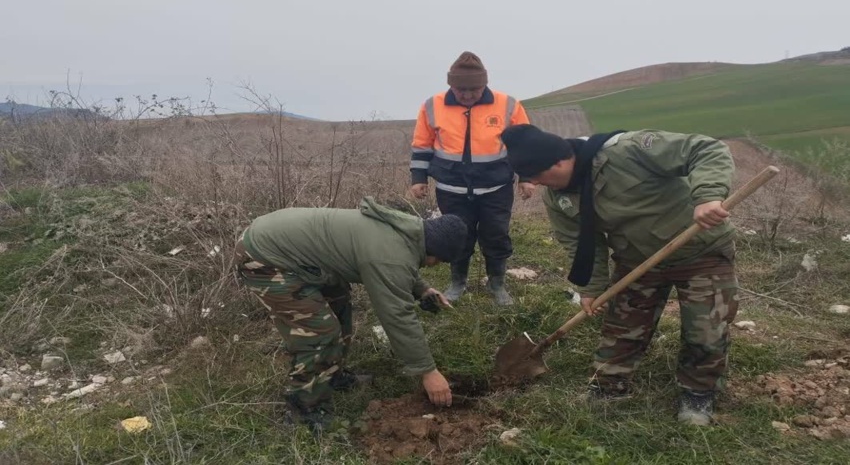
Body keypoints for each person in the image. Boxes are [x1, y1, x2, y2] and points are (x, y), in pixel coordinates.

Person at [500, 124, 739, 426]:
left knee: (705, 330)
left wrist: (708, 196)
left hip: (700, 251)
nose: (535, 183)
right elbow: (581, 243)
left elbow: (706, 148)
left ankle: (698, 391)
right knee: (621, 327)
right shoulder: (557, 197)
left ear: (559, 160)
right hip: (637, 260)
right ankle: (609, 385)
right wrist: (592, 288)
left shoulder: (630, 150)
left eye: (537, 175)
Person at [233, 196, 468, 435]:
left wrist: (422, 289)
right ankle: (304, 408)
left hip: (293, 249)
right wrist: (428, 371)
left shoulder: (409, 230)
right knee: (318, 331)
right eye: (438, 261)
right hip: (265, 256)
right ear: (434, 250)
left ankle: (330, 373)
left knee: (339, 304)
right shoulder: (388, 253)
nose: (434, 265)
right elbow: (397, 316)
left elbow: (400, 264)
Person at [409, 51, 535, 306]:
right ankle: (457, 283)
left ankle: (497, 284)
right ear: (450, 85)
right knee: (458, 236)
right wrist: (418, 177)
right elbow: (422, 145)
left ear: (484, 84)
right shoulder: (432, 106)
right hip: (451, 188)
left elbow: (525, 144)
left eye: (473, 90)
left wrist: (527, 177)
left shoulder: (508, 104)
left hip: (496, 188)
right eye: (460, 89)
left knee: (496, 235)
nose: (466, 95)